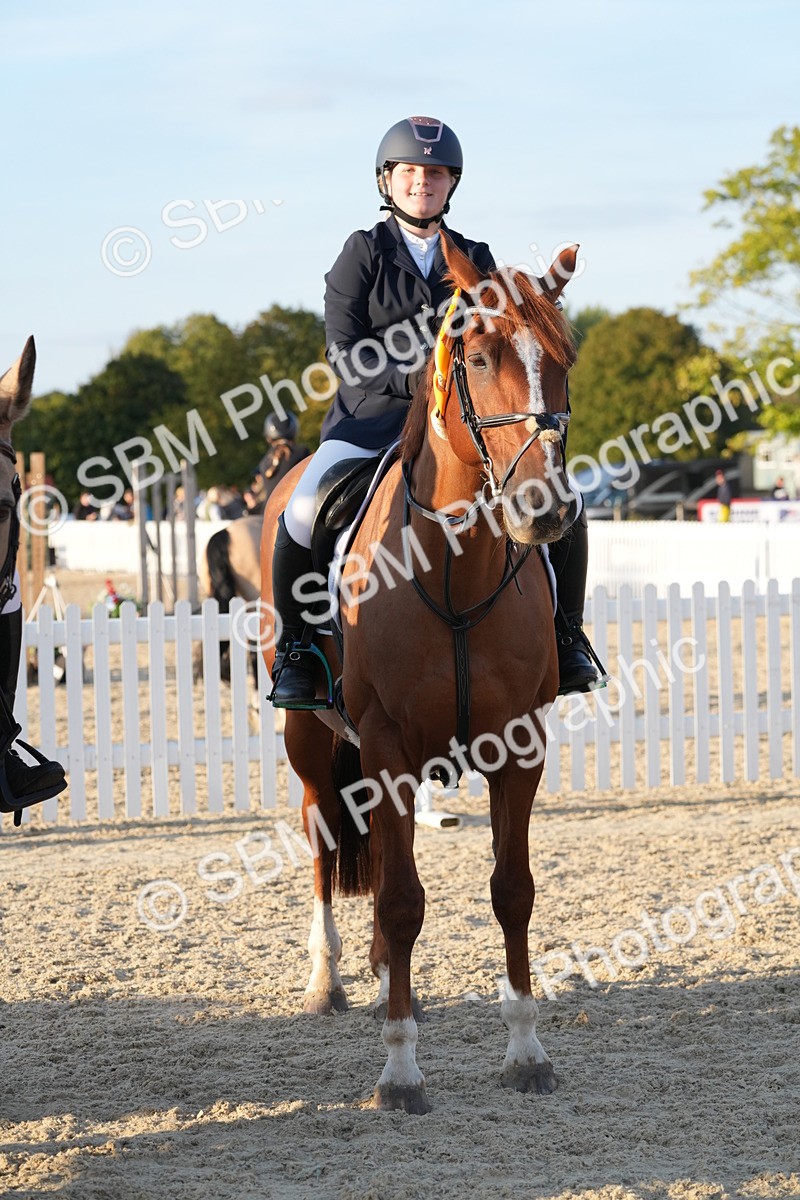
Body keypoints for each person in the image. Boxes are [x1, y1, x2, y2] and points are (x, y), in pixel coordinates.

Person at [270, 115, 601, 707]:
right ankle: (298, 649)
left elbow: (499, 344)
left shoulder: (475, 256)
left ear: (452, 185)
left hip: (460, 429)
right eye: (411, 172)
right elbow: (343, 351)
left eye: (437, 173)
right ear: (387, 181)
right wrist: (418, 380)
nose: (423, 181)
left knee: (566, 505)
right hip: (368, 421)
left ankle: (566, 635)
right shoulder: (362, 252)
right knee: (301, 508)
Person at [249, 412, 310, 515]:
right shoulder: (302, 452)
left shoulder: (264, 462)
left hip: (267, 513)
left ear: (269, 436)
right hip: (295, 510)